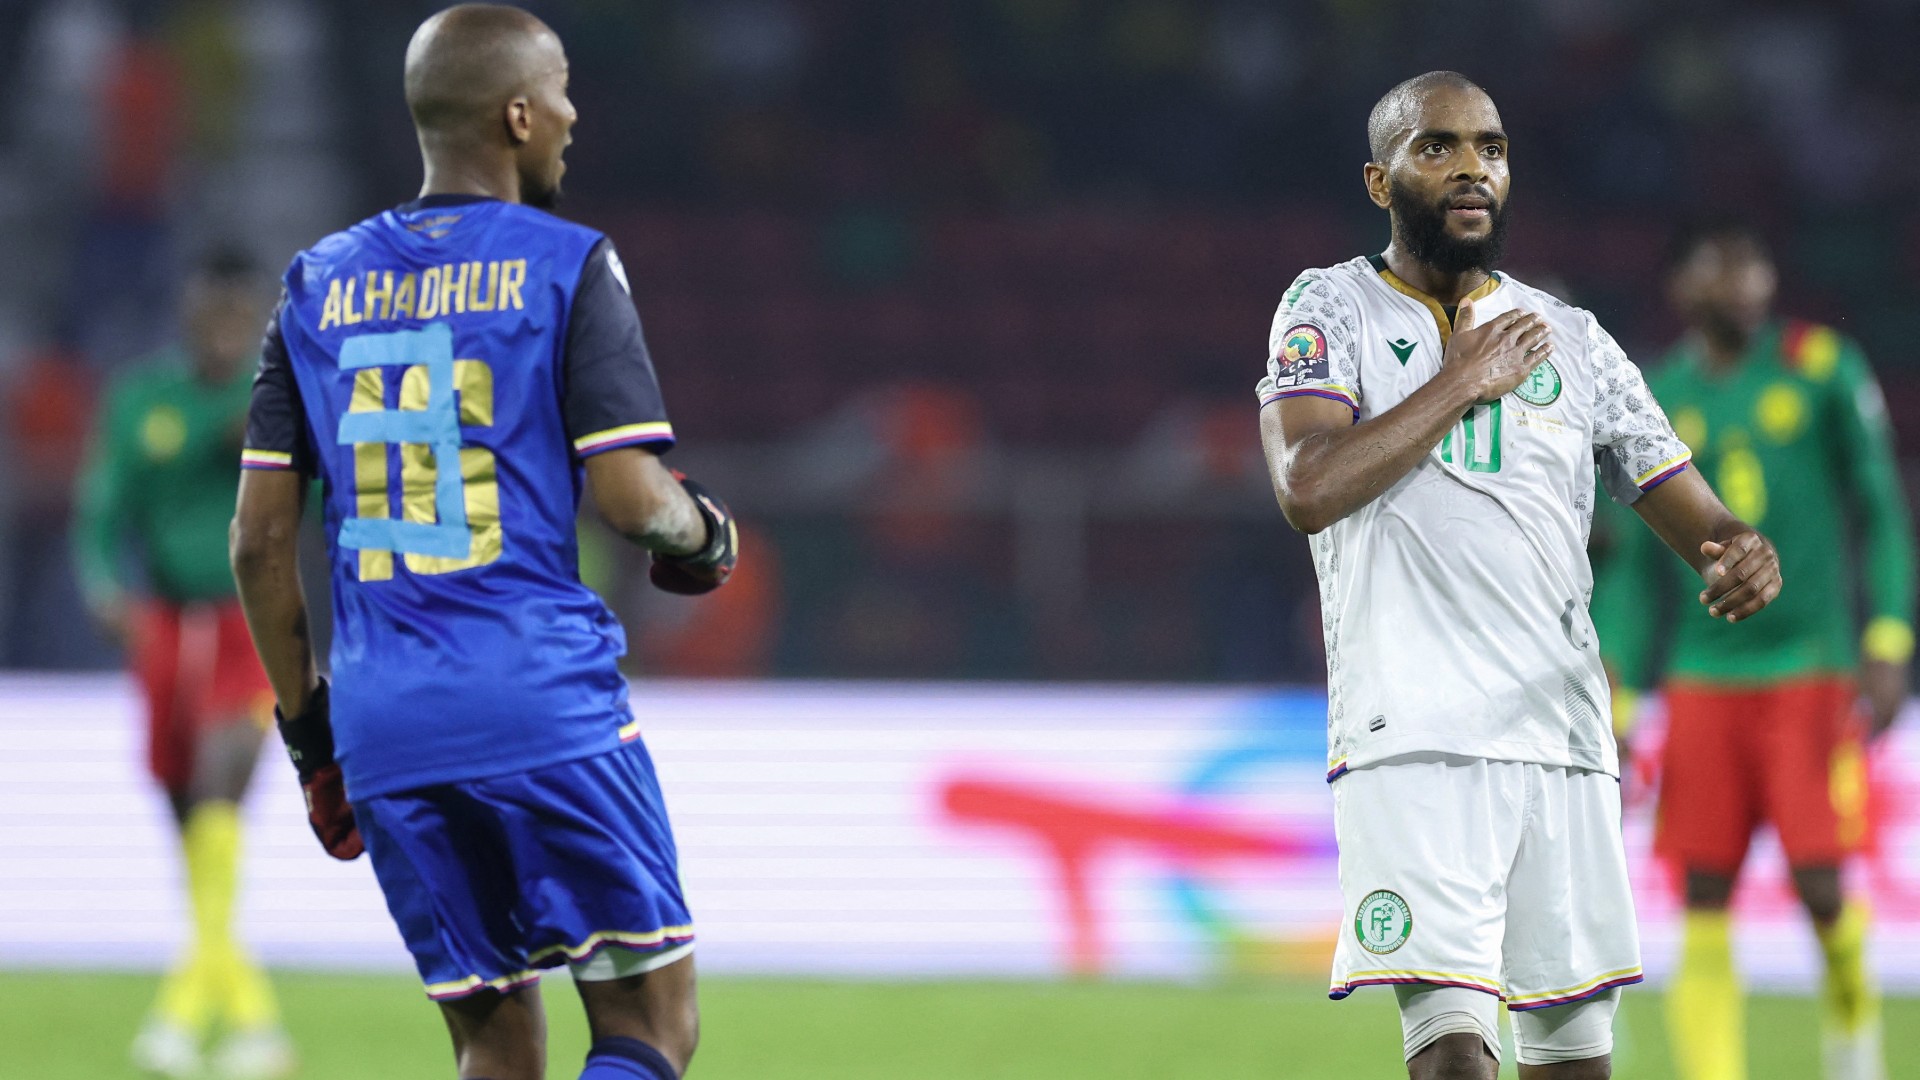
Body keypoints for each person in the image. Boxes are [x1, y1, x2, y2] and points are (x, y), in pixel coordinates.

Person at [229, 6, 738, 1079]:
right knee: (651, 1026)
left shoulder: (314, 287)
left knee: (496, 1047)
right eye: (558, 89)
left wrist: (313, 743)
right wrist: (707, 537)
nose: (572, 112)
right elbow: (635, 499)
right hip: (536, 697)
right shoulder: (568, 265)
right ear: (516, 114)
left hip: (384, 726)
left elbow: (258, 549)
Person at [1256, 71, 1783, 1080]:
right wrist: (1464, 378)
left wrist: (1738, 550)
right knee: (1455, 1053)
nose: (1470, 169)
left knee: (1575, 1060)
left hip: (1563, 740)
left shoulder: (1571, 339)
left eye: (1490, 149)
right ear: (1381, 179)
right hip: (1413, 738)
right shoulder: (1328, 308)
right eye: (1438, 146)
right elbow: (1308, 486)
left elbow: (1699, 517)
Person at [1592, 220, 1913, 1080]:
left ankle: (1853, 1051)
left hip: (1810, 669)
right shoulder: (1656, 395)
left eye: (1755, 263)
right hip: (1701, 680)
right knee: (1702, 893)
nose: (1744, 280)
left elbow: (1880, 507)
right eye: (1721, 267)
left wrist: (1888, 636)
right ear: (1684, 289)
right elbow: (1627, 573)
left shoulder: (1822, 367)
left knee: (1819, 885)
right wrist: (1616, 690)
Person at [73, 249, 295, 1079]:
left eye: (240, 318)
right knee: (192, 830)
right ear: (190, 313)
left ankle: (176, 1015)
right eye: (213, 314)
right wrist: (103, 588)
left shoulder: (275, 401)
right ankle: (252, 1023)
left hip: (249, 629)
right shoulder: (143, 402)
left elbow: (314, 500)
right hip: (165, 631)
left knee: (218, 783)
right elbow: (102, 509)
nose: (224, 331)